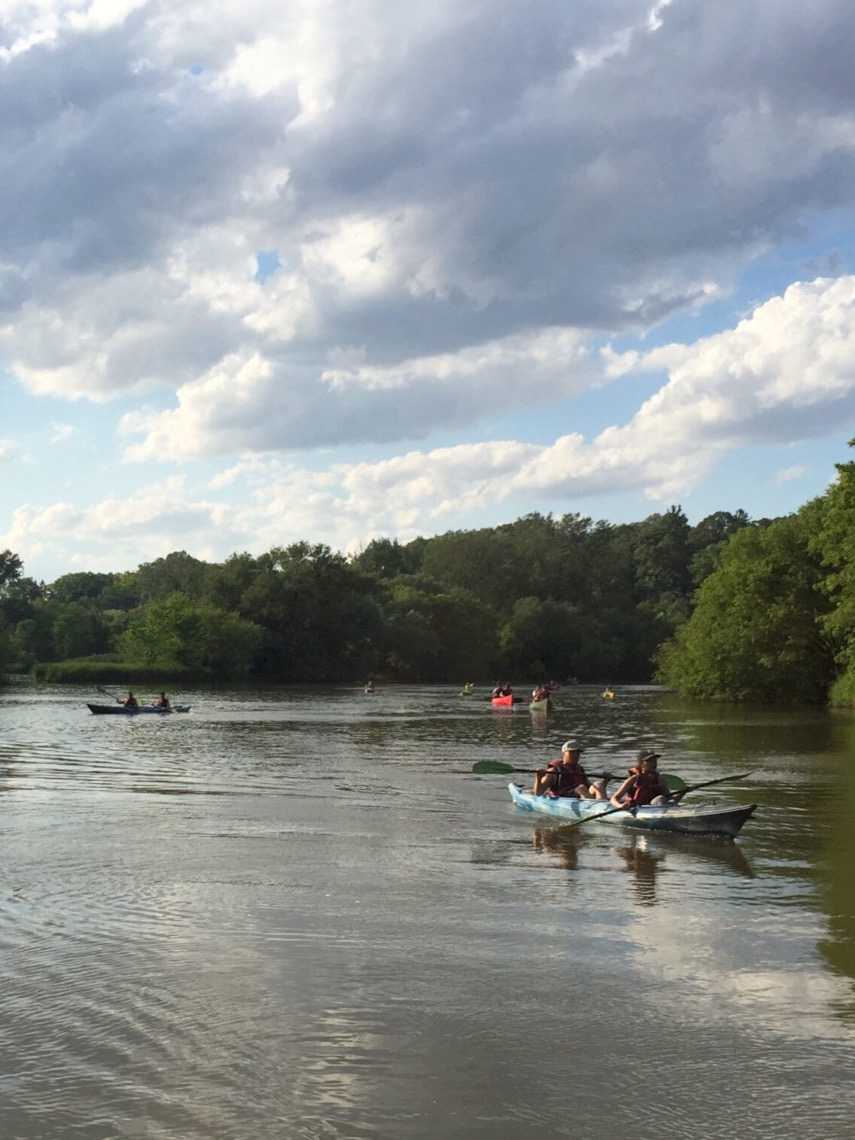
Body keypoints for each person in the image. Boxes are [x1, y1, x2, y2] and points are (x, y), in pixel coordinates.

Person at [532, 740, 611, 799]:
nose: (575, 756)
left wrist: (605, 781)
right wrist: (538, 777)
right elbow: (538, 793)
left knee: (598, 784)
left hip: (581, 795)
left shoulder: (579, 769)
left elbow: (591, 788)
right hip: (563, 798)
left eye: (577, 753)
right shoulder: (554, 771)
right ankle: (595, 809)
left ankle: (604, 807)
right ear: (563, 754)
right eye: (572, 753)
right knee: (581, 788)